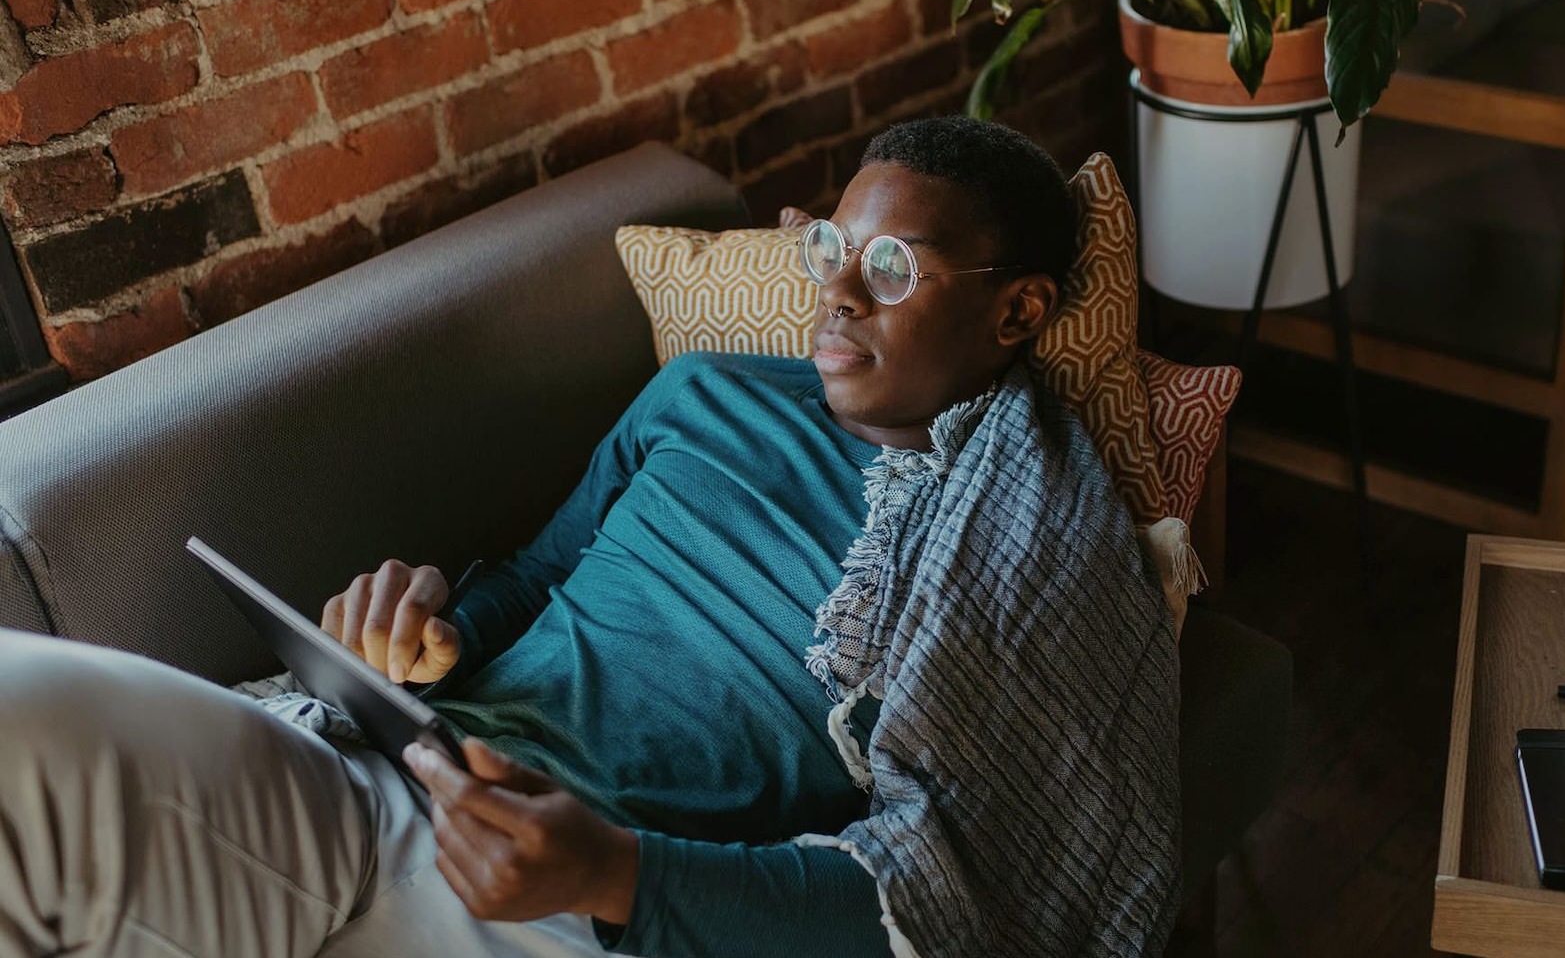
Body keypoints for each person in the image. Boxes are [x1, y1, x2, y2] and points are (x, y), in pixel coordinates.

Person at [0, 116, 1178, 958]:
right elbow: (542, 572)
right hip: (377, 777)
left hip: (581, 911)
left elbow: (947, 892)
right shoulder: (704, 390)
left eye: (888, 267)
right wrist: (436, 630)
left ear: (1016, 309)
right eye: (830, 249)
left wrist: (615, 873)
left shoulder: (1023, 541)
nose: (837, 295)